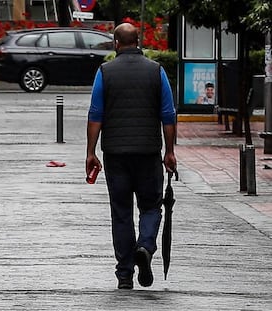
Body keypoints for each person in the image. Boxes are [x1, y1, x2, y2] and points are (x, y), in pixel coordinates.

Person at [85, 23, 177, 290]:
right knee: (151, 206)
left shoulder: (105, 72)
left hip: (115, 154)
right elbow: (168, 114)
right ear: (139, 41)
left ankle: (125, 273)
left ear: (116, 43)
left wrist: (91, 152)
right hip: (149, 153)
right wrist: (169, 151)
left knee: (121, 213)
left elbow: (95, 114)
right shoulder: (156, 71)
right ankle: (145, 247)